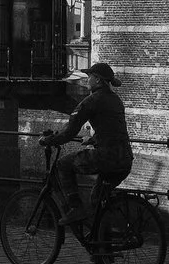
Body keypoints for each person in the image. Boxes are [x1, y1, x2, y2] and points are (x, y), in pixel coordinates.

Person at [39, 61, 134, 244]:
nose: (87, 80)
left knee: (62, 165)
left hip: (106, 158)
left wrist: (48, 140)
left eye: (89, 76)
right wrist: (94, 139)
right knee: (98, 198)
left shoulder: (91, 101)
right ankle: (103, 247)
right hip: (124, 159)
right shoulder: (116, 100)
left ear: (97, 80)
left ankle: (75, 208)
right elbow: (113, 129)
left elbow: (68, 133)